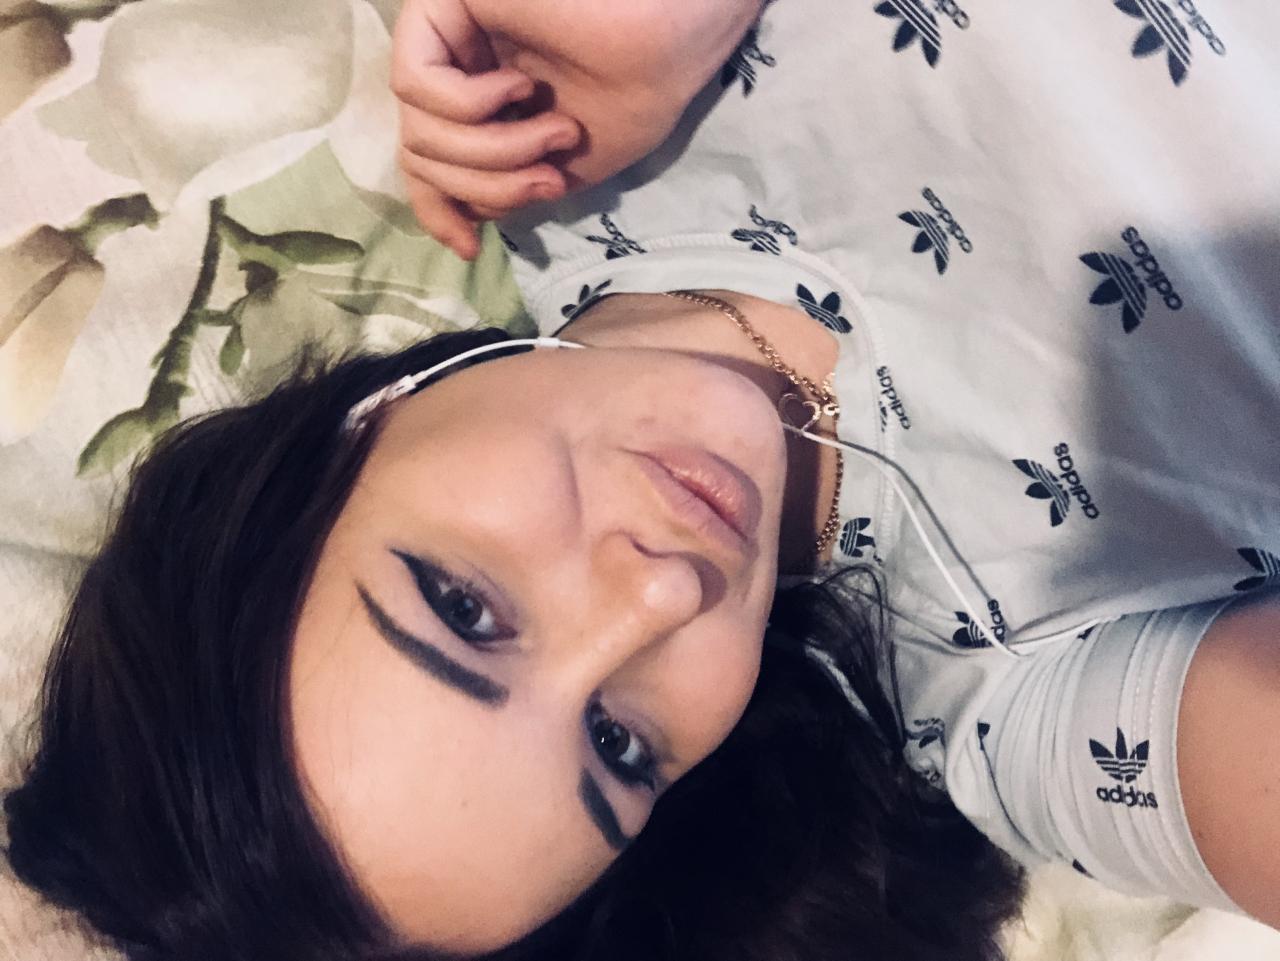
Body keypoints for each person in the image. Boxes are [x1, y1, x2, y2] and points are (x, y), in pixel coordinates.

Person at [4, 2, 1278, 961]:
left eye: (467, 608)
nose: (659, 595)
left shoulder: (539, 97)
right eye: (618, 745)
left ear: (344, 438)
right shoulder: (1013, 698)